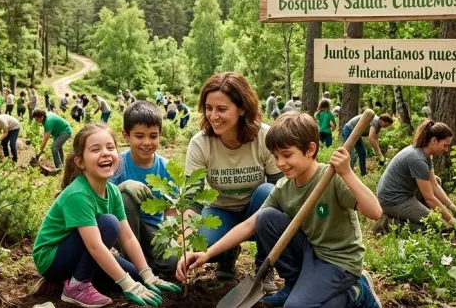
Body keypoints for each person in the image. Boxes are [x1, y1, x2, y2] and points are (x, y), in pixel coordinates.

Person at [177, 113, 382, 308]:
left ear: (310, 149)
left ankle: (357, 293)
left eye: (287, 155)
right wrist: (206, 254)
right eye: (275, 156)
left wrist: (347, 172)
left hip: (339, 262)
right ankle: (293, 284)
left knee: (296, 306)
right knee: (266, 217)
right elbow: (250, 224)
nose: (280, 163)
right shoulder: (284, 187)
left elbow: (375, 212)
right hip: (310, 251)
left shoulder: (332, 178)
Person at [31, 124, 179, 307]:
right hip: (52, 258)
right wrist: (127, 285)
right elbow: (94, 246)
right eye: (95, 149)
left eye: (110, 148)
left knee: (134, 275)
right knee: (109, 223)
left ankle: (63, 282)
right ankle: (76, 285)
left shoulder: (112, 191)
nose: (106, 153)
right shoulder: (78, 194)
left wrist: (147, 274)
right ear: (80, 162)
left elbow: (128, 237)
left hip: (78, 253)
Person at [184, 72, 283, 287]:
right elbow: (192, 199)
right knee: (204, 245)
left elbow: (281, 189)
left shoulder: (264, 137)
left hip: (257, 208)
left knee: (269, 192)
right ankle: (226, 258)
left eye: (221, 109)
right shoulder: (200, 144)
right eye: (209, 108)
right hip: (221, 211)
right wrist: (187, 244)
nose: (213, 116)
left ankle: (264, 267)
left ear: (242, 109)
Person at [111, 101, 178, 276]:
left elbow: (171, 209)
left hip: (154, 228)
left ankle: (145, 261)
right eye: (139, 136)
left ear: (160, 135)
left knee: (172, 264)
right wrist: (122, 186)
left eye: (153, 136)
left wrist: (171, 234)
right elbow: (103, 198)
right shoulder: (117, 164)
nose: (147, 142)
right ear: (126, 136)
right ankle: (131, 258)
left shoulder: (167, 168)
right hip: (123, 228)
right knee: (124, 197)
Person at [374, 120, 456, 233]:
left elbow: (434, 185)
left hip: (404, 194)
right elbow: (430, 198)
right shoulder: (417, 159)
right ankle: (386, 224)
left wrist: (453, 208)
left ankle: (418, 215)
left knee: (436, 180)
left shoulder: (426, 155)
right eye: (445, 145)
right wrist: (452, 220)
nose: (446, 150)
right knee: (435, 226)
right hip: (393, 200)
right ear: (434, 140)